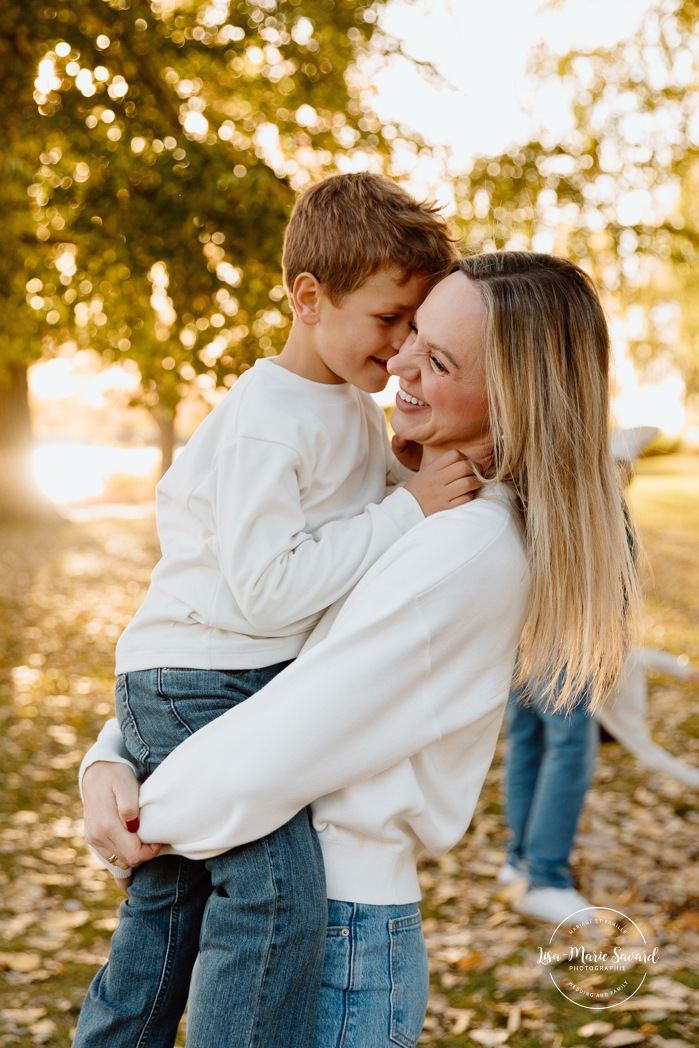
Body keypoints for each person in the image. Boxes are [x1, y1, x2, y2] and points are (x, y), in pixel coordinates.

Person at [80, 252, 639, 1048]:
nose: (399, 362)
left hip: (332, 935)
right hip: (270, 895)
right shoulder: (408, 503)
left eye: (437, 360)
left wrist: (140, 816)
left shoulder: (466, 548)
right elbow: (243, 644)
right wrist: (112, 757)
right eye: (409, 331)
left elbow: (281, 739)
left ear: (512, 400)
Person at [72, 172, 471, 1048]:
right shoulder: (267, 419)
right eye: (388, 317)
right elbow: (269, 590)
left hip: (229, 674)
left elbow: (361, 520)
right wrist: (406, 507)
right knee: (276, 896)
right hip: (197, 677)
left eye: (416, 324)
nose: (402, 344)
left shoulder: (344, 406)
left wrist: (405, 476)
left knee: (170, 903)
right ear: (308, 298)